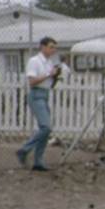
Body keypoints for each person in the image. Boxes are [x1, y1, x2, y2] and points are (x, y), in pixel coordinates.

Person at [16, 36, 61, 171]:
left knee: (46, 129)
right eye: (51, 47)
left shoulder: (49, 62)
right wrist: (49, 74)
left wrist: (56, 76)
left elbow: (49, 82)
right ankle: (24, 149)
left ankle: (38, 160)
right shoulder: (34, 61)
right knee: (46, 127)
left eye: (54, 47)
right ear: (43, 47)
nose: (53, 50)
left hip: (44, 94)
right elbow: (32, 81)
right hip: (36, 94)